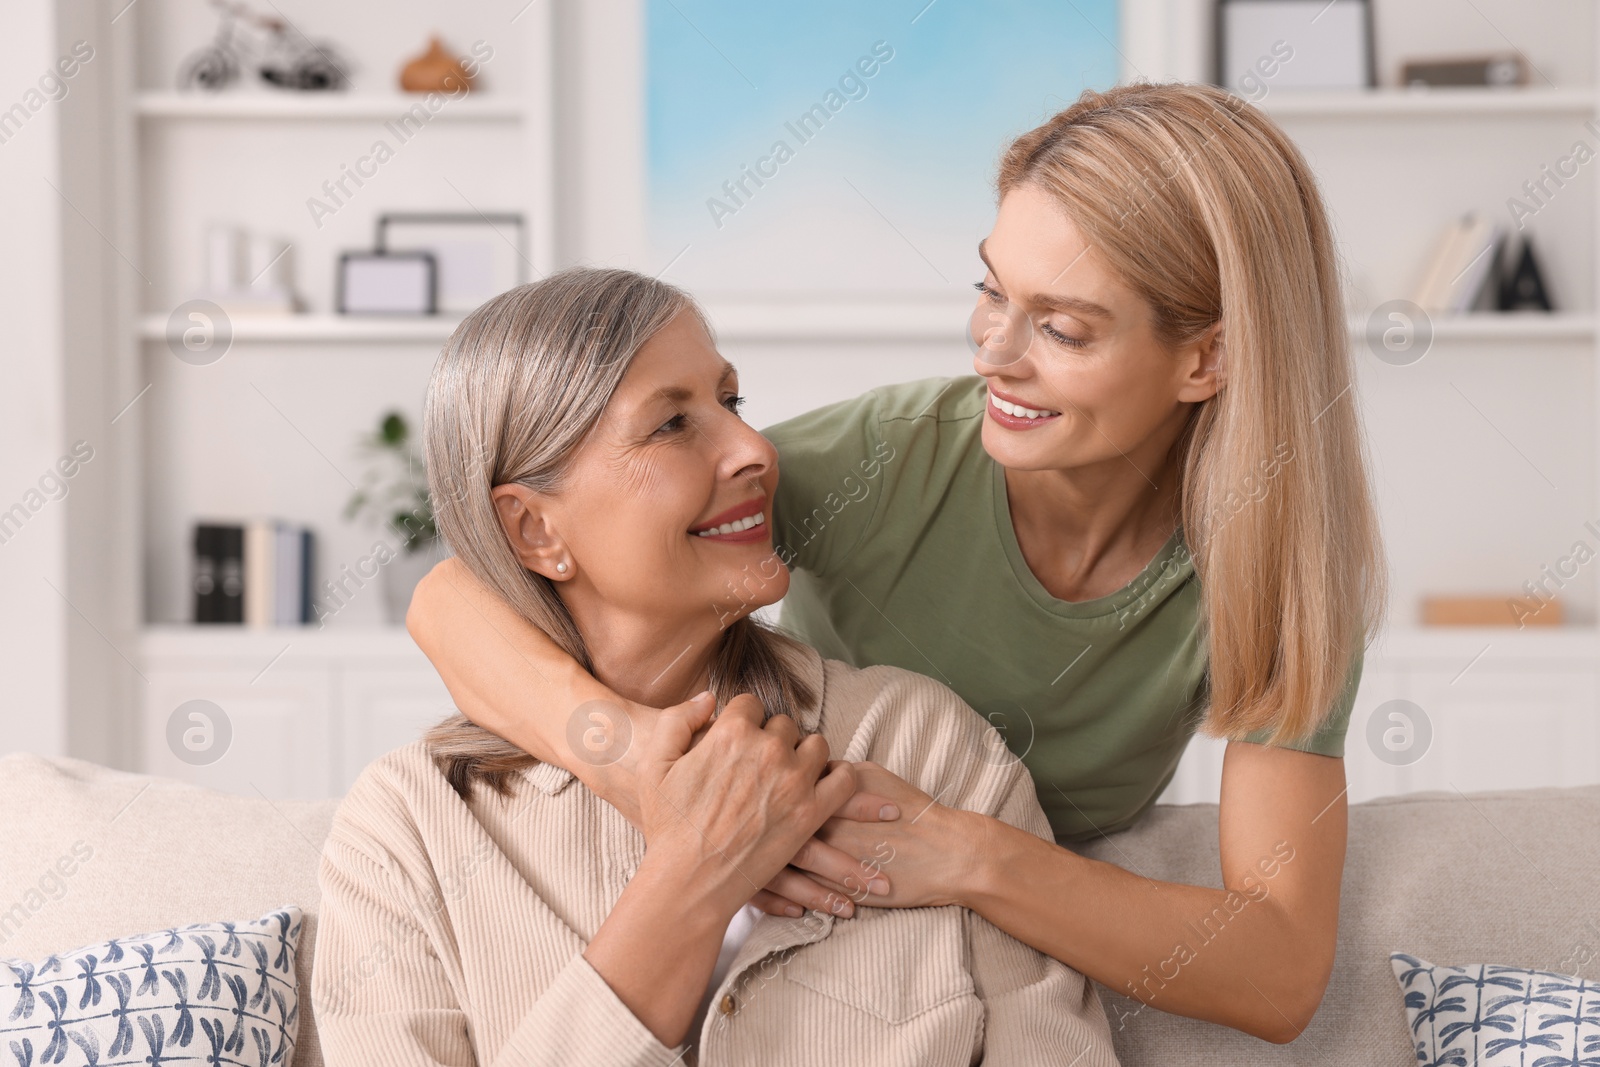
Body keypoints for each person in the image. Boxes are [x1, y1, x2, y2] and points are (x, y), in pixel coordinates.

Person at [405, 82, 1389, 1043]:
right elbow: (460, 591)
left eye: (1062, 326)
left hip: (992, 923)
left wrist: (971, 851)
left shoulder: (1271, 572)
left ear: (1205, 360)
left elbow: (1276, 971)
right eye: (990, 291)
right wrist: (633, 767)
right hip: (828, 900)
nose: (994, 354)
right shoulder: (893, 460)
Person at [310, 267, 1120, 1066]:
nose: (754, 450)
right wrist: (693, 876)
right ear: (532, 531)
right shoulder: (407, 830)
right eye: (670, 425)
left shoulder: (927, 749)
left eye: (731, 402)